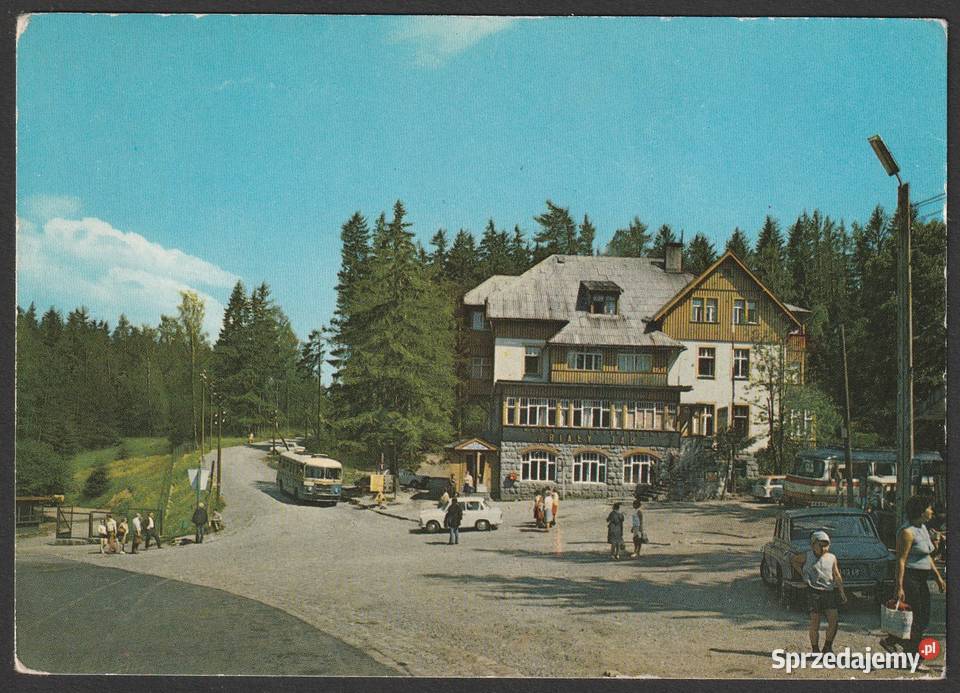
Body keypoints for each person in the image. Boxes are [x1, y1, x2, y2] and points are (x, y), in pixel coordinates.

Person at [880, 495, 947, 655]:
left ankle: (892, 641)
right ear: (920, 511)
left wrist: (938, 577)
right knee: (916, 618)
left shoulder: (922, 528)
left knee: (923, 617)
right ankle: (913, 655)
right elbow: (901, 560)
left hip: (922, 579)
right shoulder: (907, 532)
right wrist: (899, 586)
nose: (932, 511)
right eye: (929, 508)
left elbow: (927, 556)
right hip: (910, 577)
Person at [791, 530, 846, 653]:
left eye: (826, 545)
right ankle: (815, 649)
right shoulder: (807, 556)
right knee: (815, 622)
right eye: (820, 545)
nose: (823, 548)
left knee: (834, 620)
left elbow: (836, 574)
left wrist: (841, 591)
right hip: (813, 592)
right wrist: (802, 573)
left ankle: (828, 646)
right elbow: (794, 560)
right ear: (813, 544)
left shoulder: (831, 558)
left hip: (828, 591)